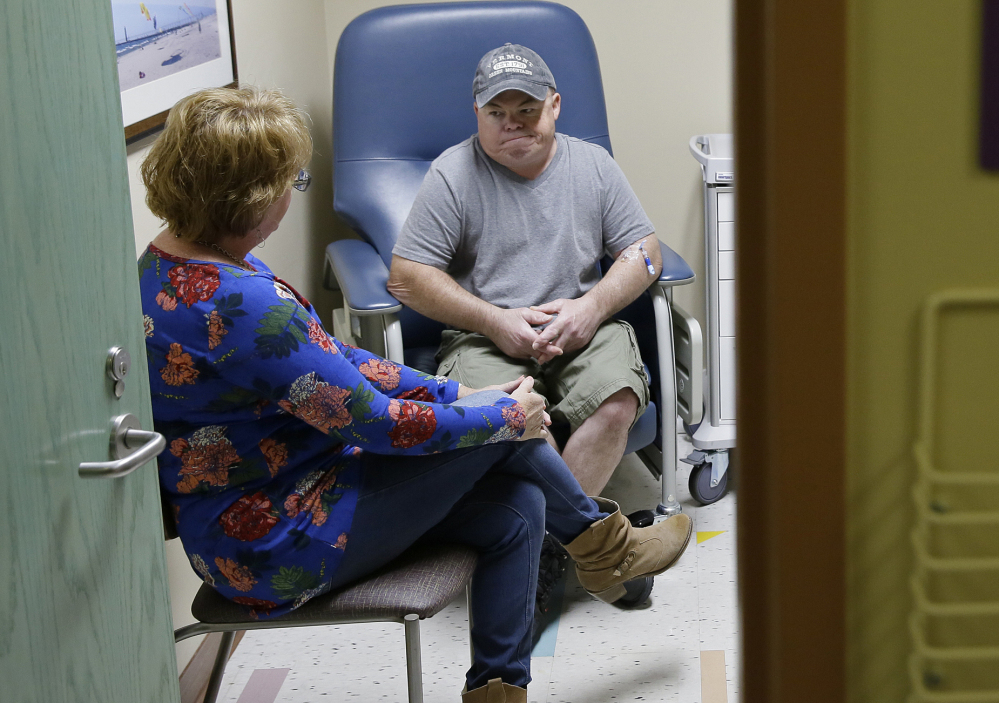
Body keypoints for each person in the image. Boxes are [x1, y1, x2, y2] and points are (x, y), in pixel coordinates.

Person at [138, 86, 691, 703]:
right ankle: (606, 549)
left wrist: (452, 390)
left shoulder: (173, 264)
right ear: (248, 197)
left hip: (265, 512)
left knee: (517, 510)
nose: (292, 197)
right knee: (507, 440)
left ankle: (500, 687)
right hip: (279, 543)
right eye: (291, 182)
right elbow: (375, 425)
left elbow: (338, 361)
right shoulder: (241, 301)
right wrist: (502, 414)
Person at [388, 43, 662, 501]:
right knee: (512, 416)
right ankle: (579, 544)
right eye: (496, 111)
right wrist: (495, 321)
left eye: (527, 109)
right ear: (476, 112)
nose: (512, 122)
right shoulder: (452, 175)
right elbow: (406, 276)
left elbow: (645, 249)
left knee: (617, 401)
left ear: (554, 105)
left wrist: (591, 309)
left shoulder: (593, 166)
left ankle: (552, 550)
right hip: (484, 336)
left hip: (585, 328)